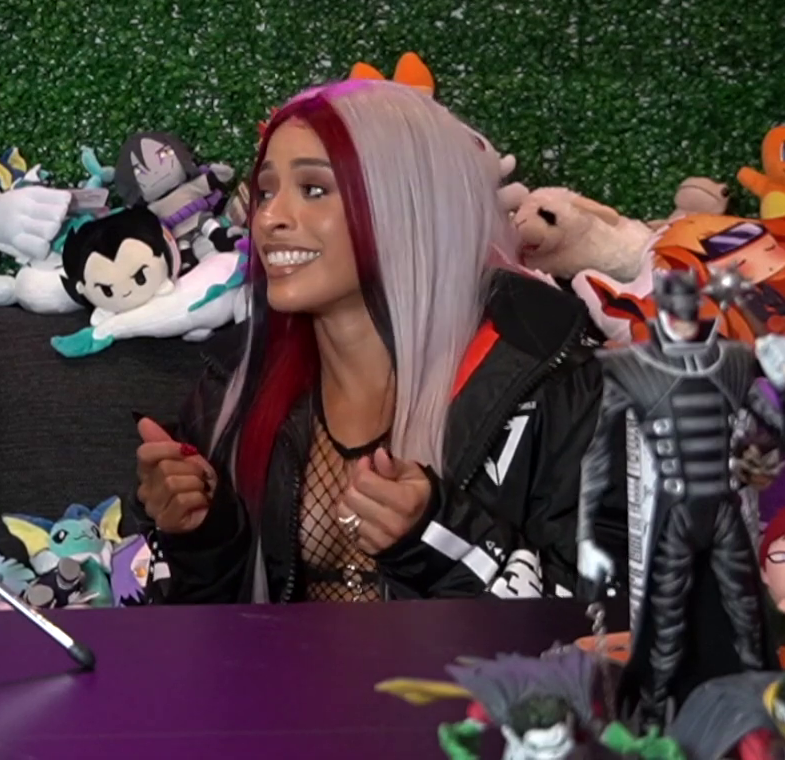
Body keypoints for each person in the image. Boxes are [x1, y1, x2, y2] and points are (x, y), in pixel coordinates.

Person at [136, 79, 627, 603]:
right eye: (266, 191)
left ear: (409, 207)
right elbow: (204, 635)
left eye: (315, 190)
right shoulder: (232, 392)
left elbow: (614, 621)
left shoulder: (562, 391)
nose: (269, 219)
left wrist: (440, 537)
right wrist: (202, 539)